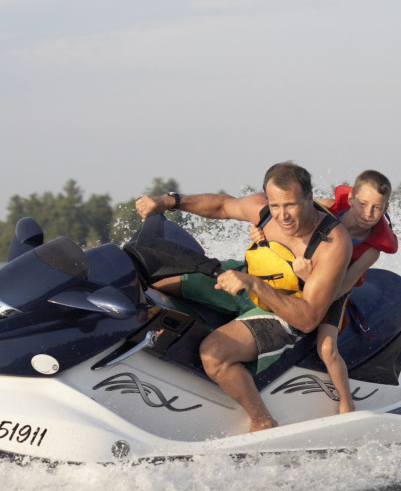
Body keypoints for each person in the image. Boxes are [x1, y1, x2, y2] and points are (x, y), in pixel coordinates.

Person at [135, 162, 352, 432]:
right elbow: (223, 206)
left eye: (291, 205)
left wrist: (253, 285)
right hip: (247, 278)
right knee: (150, 280)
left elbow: (308, 318)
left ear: (309, 198)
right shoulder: (265, 212)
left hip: (285, 309)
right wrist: (168, 201)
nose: (282, 215)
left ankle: (262, 421)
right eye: (275, 206)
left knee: (214, 354)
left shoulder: (333, 243)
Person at [249, 170, 398, 414]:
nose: (368, 214)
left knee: (327, 349)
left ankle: (346, 402)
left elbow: (341, 287)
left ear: (385, 208)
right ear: (350, 200)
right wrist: (260, 232)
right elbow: (285, 222)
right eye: (362, 204)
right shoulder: (327, 208)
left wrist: (311, 279)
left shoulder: (372, 249)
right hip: (296, 268)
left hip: (334, 290)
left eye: (376, 208)